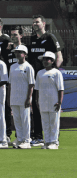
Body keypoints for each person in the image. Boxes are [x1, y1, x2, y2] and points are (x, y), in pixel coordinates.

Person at [28, 15, 62, 146]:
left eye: (37, 22)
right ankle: (38, 137)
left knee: (52, 109)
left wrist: (53, 72)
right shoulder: (32, 39)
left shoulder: (50, 38)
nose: (35, 24)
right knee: (36, 108)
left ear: (44, 23)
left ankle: (54, 138)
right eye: (33, 23)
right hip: (37, 79)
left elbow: (59, 56)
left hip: (49, 79)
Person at [35, 52, 63, 149]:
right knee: (45, 122)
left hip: (53, 102)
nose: (45, 61)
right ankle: (47, 142)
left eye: (48, 59)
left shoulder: (57, 73)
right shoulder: (39, 73)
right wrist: (37, 101)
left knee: (54, 123)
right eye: (44, 59)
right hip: (43, 102)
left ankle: (54, 142)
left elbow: (60, 89)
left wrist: (59, 102)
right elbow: (37, 89)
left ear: (52, 61)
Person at [8, 45, 35, 149]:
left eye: (20, 52)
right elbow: (10, 83)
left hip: (24, 98)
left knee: (25, 120)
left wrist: (29, 98)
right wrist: (9, 97)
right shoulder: (12, 67)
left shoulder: (28, 67)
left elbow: (31, 84)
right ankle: (19, 139)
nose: (18, 54)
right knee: (17, 120)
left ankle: (27, 140)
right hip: (14, 98)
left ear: (25, 54)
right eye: (16, 52)